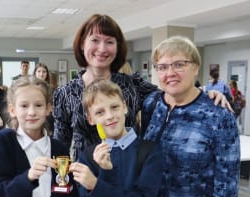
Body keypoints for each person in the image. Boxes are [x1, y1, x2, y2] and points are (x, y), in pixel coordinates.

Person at [53, 14, 229, 160]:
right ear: (83, 44)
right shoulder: (65, 94)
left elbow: (170, 95)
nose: (102, 48)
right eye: (95, 40)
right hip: (84, 178)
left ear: (117, 47)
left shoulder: (132, 85)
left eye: (109, 42)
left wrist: (203, 92)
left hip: (129, 176)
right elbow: (60, 146)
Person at [141, 36, 240, 197]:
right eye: (162, 67)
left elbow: (227, 183)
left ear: (196, 67)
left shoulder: (218, 114)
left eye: (179, 64)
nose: (169, 73)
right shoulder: (153, 105)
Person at [69, 79, 162, 197]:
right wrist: (105, 173)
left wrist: (96, 184)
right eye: (100, 112)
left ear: (125, 107)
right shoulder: (87, 157)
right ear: (90, 119)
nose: (109, 116)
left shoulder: (149, 151)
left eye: (114, 107)